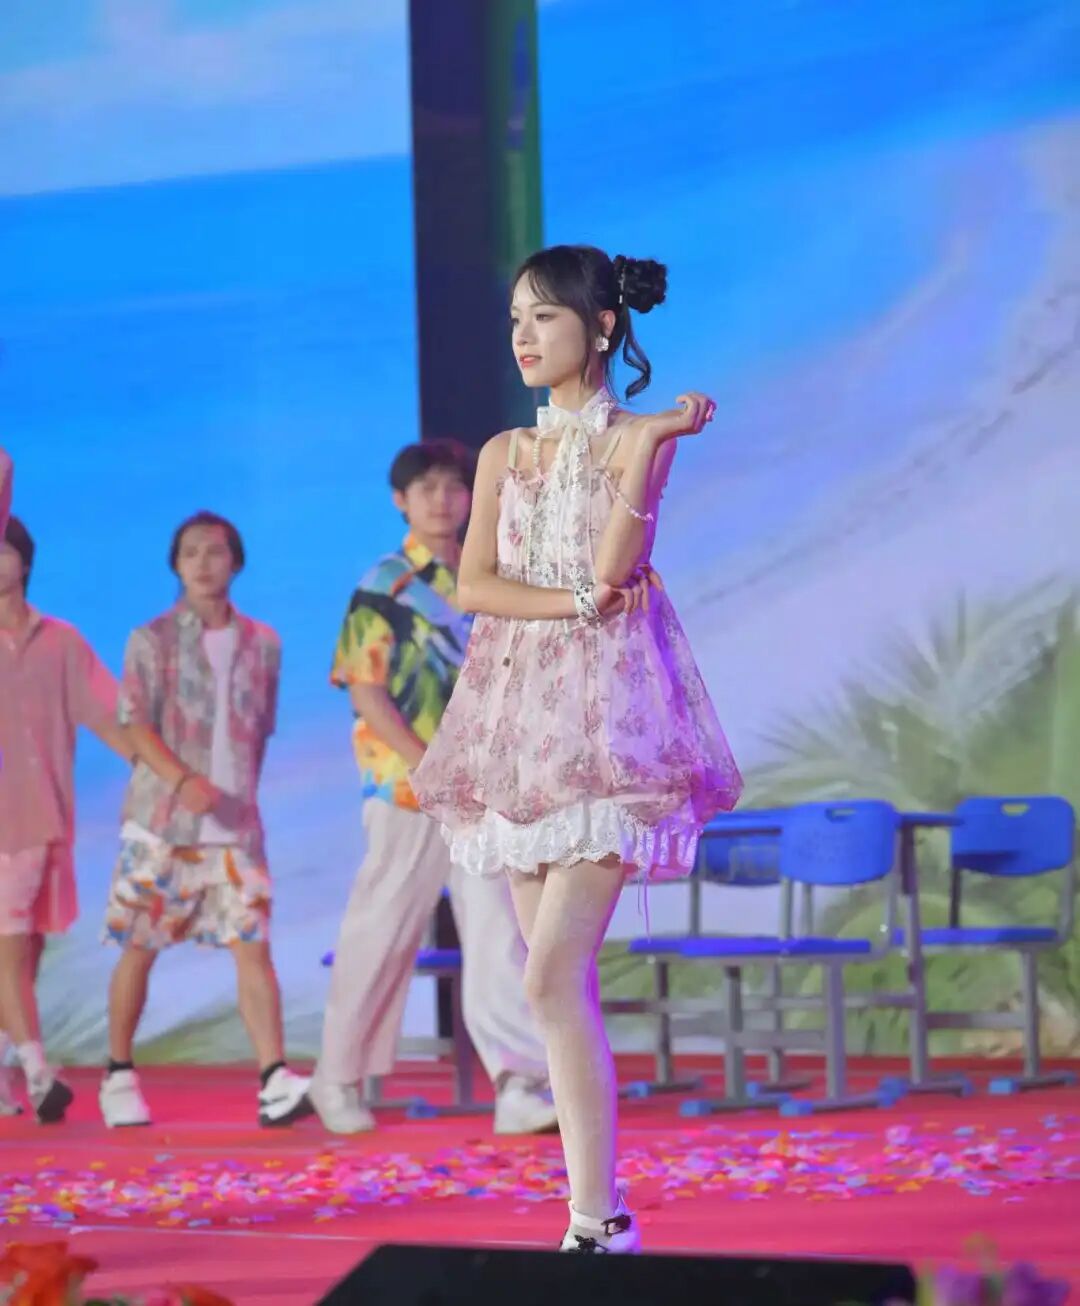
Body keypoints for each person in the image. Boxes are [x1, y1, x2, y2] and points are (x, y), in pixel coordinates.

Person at [411, 245, 743, 1253]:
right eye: (516, 317)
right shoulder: (504, 451)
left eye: (544, 317)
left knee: (552, 975)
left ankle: (600, 1216)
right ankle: (595, 1212)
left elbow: (620, 563)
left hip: (609, 721)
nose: (523, 335)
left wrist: (649, 446)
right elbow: (475, 585)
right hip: (517, 721)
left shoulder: (639, 436)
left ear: (601, 327)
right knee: (554, 985)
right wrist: (572, 606)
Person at [310, 440, 561, 1135]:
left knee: (498, 930)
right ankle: (337, 1079)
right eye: (427, 489)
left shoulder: (493, 575)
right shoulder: (385, 586)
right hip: (409, 789)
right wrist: (426, 765)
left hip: (484, 792)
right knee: (382, 932)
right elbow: (365, 691)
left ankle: (518, 1083)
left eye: (454, 487)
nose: (443, 500)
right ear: (401, 500)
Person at [99, 511, 310, 1129]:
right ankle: (118, 1074)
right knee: (140, 946)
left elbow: (260, 728)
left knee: (253, 946)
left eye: (215, 551)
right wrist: (183, 781)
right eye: (190, 552)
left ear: (235, 562)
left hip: (234, 826)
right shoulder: (152, 639)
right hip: (161, 822)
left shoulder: (263, 643)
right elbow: (134, 723)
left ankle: (273, 1078)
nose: (202, 563)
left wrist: (237, 796)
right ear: (175, 564)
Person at [0, 511, 183, 1121]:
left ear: (26, 562)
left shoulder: (60, 642)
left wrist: (160, 774)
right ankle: (37, 1072)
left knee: (27, 947)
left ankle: (8, 1067)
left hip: (46, 817)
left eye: (5, 551)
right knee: (8, 946)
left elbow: (111, 716)